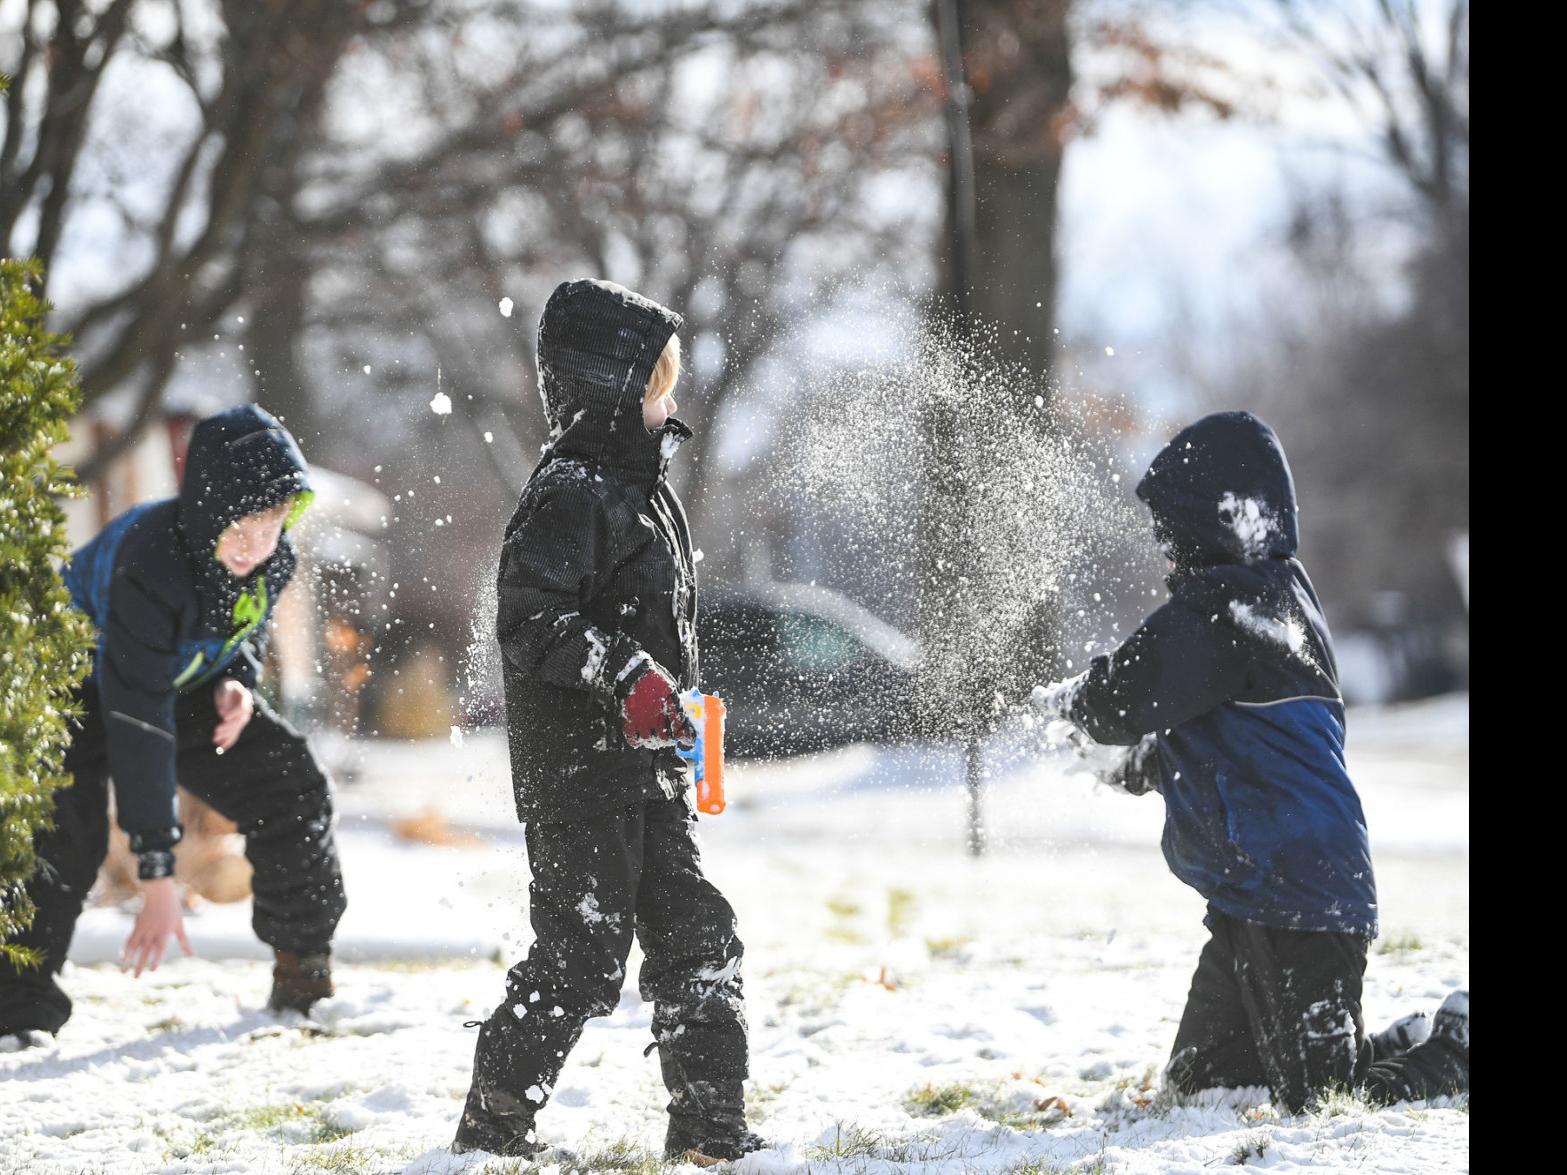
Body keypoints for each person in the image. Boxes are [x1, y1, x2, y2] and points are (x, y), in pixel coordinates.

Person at [1033, 410, 1468, 1113]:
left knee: (1323, 1102)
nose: (1165, 555)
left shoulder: (1228, 607)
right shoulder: (1274, 600)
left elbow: (1120, 696)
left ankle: (1452, 1053)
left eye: (1171, 535)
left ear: (1216, 519)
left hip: (1300, 897)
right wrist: (1126, 765)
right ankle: (1374, 1047)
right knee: (1206, 1085)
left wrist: (1064, 703)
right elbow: (1214, 740)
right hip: (1249, 897)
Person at [453, 280, 761, 1164]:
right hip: (578, 774)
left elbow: (664, 627)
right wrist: (625, 674)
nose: (673, 403)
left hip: (651, 767)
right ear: (611, 388)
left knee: (696, 935)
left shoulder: (647, 490)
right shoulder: (570, 494)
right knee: (583, 953)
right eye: (658, 384)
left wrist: (685, 717)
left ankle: (709, 1129)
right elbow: (530, 619)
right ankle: (493, 1129)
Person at [0, 405, 347, 1044]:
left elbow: (240, 633)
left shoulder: (272, 560)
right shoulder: (151, 558)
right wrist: (157, 873)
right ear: (205, 515)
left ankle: (304, 971)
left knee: (290, 781)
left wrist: (239, 684)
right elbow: (139, 725)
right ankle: (17, 1012)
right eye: (239, 530)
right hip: (74, 679)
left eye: (270, 527)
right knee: (62, 832)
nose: (255, 547)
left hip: (181, 685)